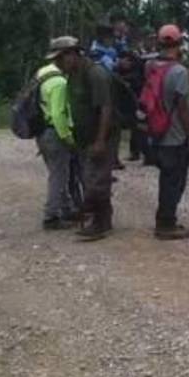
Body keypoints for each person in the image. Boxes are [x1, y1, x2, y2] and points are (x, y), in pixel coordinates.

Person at [146, 24, 189, 238]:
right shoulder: (179, 71)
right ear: (179, 44)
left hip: (156, 131)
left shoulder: (150, 66)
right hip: (174, 136)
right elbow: (183, 108)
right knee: (174, 181)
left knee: (165, 179)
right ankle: (166, 224)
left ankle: (163, 219)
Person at [68, 35, 116, 241]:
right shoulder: (73, 75)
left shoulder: (95, 74)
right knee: (91, 177)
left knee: (97, 179)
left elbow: (105, 108)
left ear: (73, 54)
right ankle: (102, 218)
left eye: (60, 58)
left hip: (101, 135)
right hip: (85, 136)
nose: (58, 63)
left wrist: (100, 140)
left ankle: (100, 222)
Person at [34, 37, 80, 230]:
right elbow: (58, 114)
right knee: (59, 176)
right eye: (72, 54)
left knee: (59, 172)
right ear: (63, 56)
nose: (75, 58)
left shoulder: (43, 72)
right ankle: (51, 216)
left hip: (41, 131)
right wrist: (68, 138)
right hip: (54, 133)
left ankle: (66, 208)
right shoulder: (59, 82)